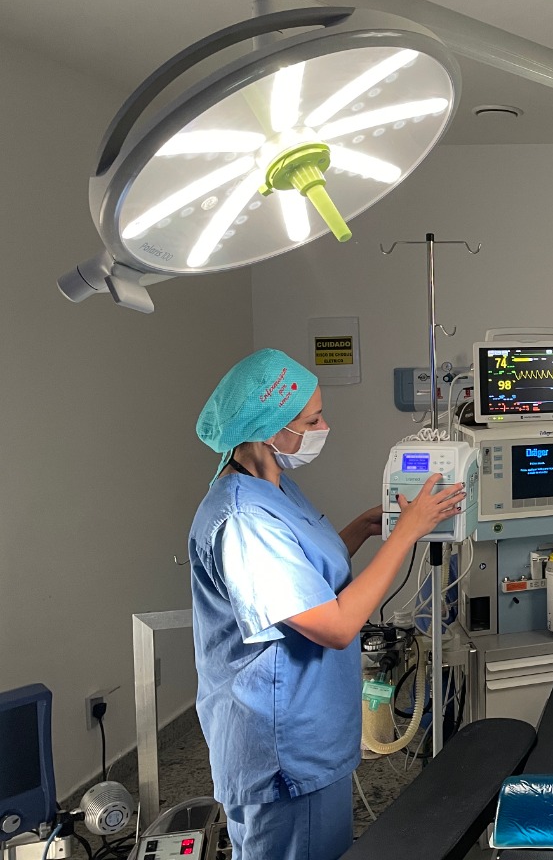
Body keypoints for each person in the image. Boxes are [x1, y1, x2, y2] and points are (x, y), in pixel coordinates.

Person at [188, 348, 463, 860]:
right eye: (312, 420)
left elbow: (302, 575)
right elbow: (334, 626)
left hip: (311, 728)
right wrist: (405, 534)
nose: (324, 427)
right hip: (283, 747)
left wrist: (362, 528)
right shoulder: (243, 519)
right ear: (269, 429)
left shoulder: (273, 485)